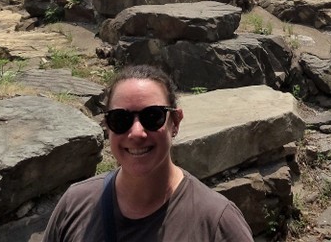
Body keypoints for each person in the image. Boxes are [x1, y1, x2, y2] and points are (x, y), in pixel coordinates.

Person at [43, 64, 254, 241]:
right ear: (107, 126)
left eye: (153, 117)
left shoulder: (217, 222)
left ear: (175, 122)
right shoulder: (75, 205)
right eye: (120, 119)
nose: (136, 133)